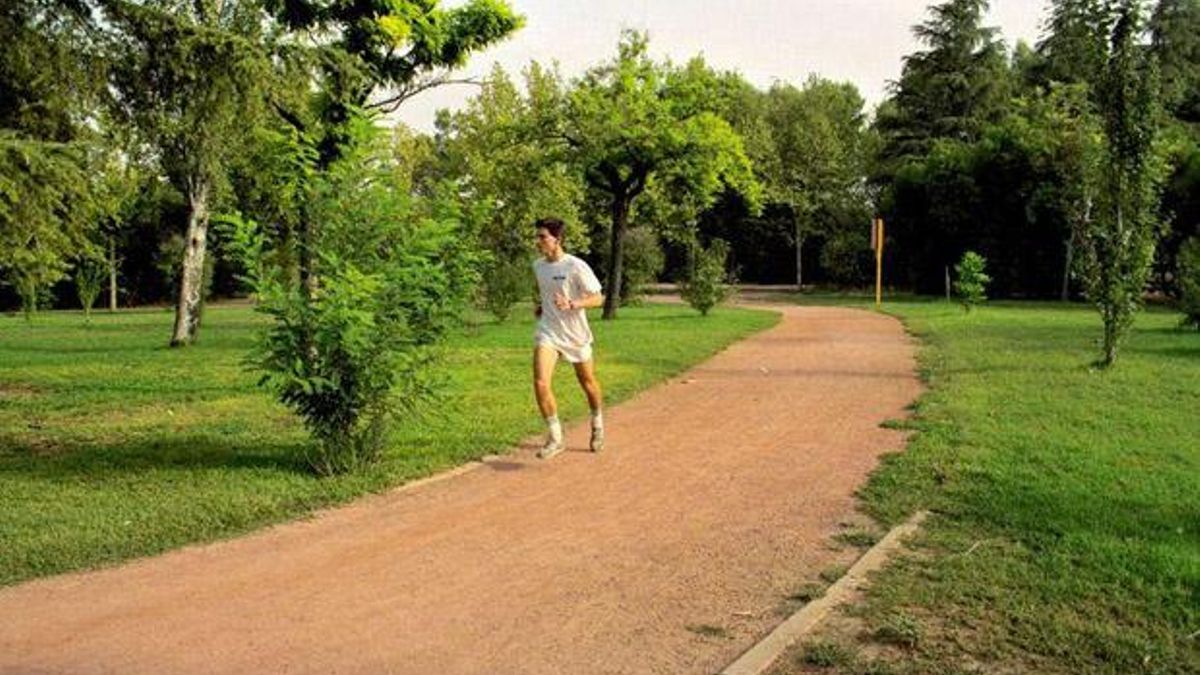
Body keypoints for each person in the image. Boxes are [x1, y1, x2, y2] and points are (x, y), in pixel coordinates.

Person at [531, 217, 605, 459]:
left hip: (575, 334)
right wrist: (542, 307)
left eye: (542, 237)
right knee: (541, 382)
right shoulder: (538, 266)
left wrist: (572, 303)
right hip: (549, 331)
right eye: (537, 236)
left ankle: (597, 422)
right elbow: (548, 293)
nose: (538, 241)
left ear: (557, 239)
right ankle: (556, 437)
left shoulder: (576, 266)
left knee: (588, 383)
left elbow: (597, 298)